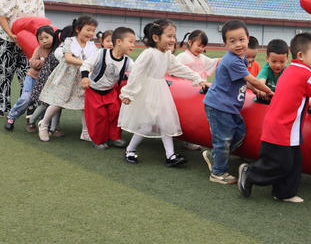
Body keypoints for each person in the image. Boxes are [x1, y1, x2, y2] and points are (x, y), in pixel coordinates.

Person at [238, 32, 311, 203]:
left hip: (281, 125)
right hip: (284, 127)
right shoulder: (308, 74)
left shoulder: (290, 69)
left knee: (295, 162)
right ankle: (251, 173)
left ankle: (284, 192)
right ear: (300, 55)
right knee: (281, 163)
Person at [118, 19, 208, 167]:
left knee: (166, 123)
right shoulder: (149, 54)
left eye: (174, 36)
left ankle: (170, 156)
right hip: (146, 91)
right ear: (155, 37)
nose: (173, 40)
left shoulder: (166, 54)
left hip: (160, 90)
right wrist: (129, 93)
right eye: (169, 36)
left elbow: (178, 68)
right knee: (146, 125)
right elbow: (136, 72)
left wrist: (197, 78)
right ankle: (130, 150)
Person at [201, 20, 273, 184]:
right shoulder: (233, 60)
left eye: (241, 40)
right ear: (225, 43)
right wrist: (269, 91)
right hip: (219, 106)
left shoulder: (241, 57)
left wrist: (256, 91)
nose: (238, 44)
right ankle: (218, 173)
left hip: (230, 106)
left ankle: (214, 156)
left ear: (248, 38)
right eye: (232, 41)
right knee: (223, 139)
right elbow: (251, 79)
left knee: (239, 134)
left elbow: (243, 81)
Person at [0, 0, 45, 117]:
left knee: (29, 75)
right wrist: (12, 35)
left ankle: (28, 106)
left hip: (29, 45)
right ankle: (0, 107)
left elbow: (40, 24)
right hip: (7, 41)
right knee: (2, 74)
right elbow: (2, 18)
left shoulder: (38, 0)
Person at [37, 15, 98, 142]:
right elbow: (69, 58)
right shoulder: (70, 41)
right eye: (88, 29)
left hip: (83, 77)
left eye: (93, 30)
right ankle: (43, 125)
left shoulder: (92, 45)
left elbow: (95, 60)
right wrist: (86, 63)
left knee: (85, 105)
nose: (91, 33)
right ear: (78, 29)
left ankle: (85, 133)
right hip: (66, 77)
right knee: (58, 102)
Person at [81, 27, 136, 149]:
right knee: (98, 116)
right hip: (94, 91)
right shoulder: (102, 54)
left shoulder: (128, 61)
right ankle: (98, 140)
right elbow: (87, 64)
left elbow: (136, 74)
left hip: (110, 91)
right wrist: (85, 77)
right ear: (119, 42)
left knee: (115, 112)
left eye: (134, 42)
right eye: (130, 42)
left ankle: (114, 137)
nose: (133, 45)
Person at [4, 26, 56, 131]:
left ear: (53, 36)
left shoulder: (57, 50)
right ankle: (11, 117)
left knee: (44, 102)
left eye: (47, 37)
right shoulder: (39, 49)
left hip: (48, 82)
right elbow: (32, 62)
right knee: (26, 99)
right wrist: (44, 62)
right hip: (33, 78)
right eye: (41, 39)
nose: (44, 41)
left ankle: (43, 123)